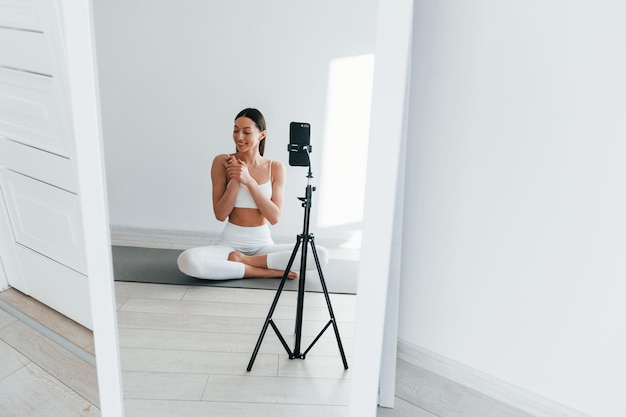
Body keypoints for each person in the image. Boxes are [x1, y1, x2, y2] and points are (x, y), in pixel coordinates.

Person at [177, 108, 328, 279]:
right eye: (235, 130)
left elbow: (274, 217)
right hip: (229, 243)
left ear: (262, 135)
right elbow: (220, 214)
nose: (239, 137)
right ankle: (264, 272)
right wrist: (236, 179)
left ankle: (245, 261)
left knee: (320, 255)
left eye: (246, 132)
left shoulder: (275, 168)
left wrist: (249, 181)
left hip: (262, 245)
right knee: (187, 260)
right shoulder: (222, 162)